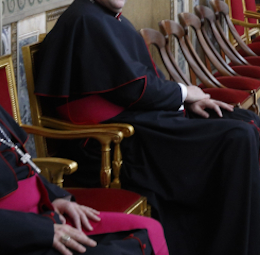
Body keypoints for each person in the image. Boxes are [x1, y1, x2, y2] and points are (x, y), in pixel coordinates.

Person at [32, 0, 260, 255]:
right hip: (112, 139)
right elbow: (132, 86)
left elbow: (137, 81)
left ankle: (252, 245)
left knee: (247, 121)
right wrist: (185, 94)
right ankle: (229, 247)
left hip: (138, 119)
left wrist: (184, 103)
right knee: (236, 137)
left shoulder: (106, 16)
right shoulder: (86, 20)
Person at [0, 106, 169, 255]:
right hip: (19, 233)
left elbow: (23, 162)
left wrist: (56, 197)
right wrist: (44, 231)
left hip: (44, 213)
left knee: (149, 229)